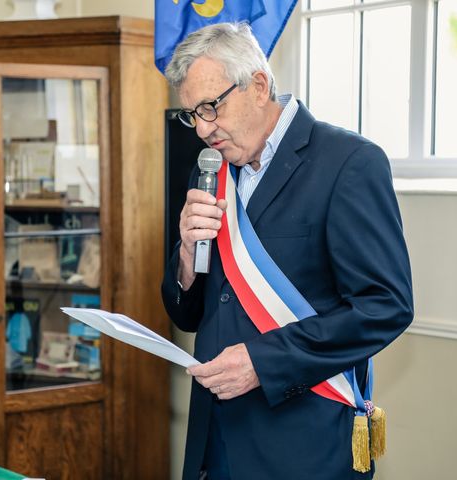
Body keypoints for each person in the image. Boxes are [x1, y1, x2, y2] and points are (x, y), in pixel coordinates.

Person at [161, 22, 413, 480]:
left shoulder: (349, 163)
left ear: (258, 85)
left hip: (301, 442)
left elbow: (385, 307)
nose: (201, 129)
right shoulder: (210, 170)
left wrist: (263, 362)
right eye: (191, 114)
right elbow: (190, 315)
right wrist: (185, 256)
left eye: (210, 108)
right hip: (214, 438)